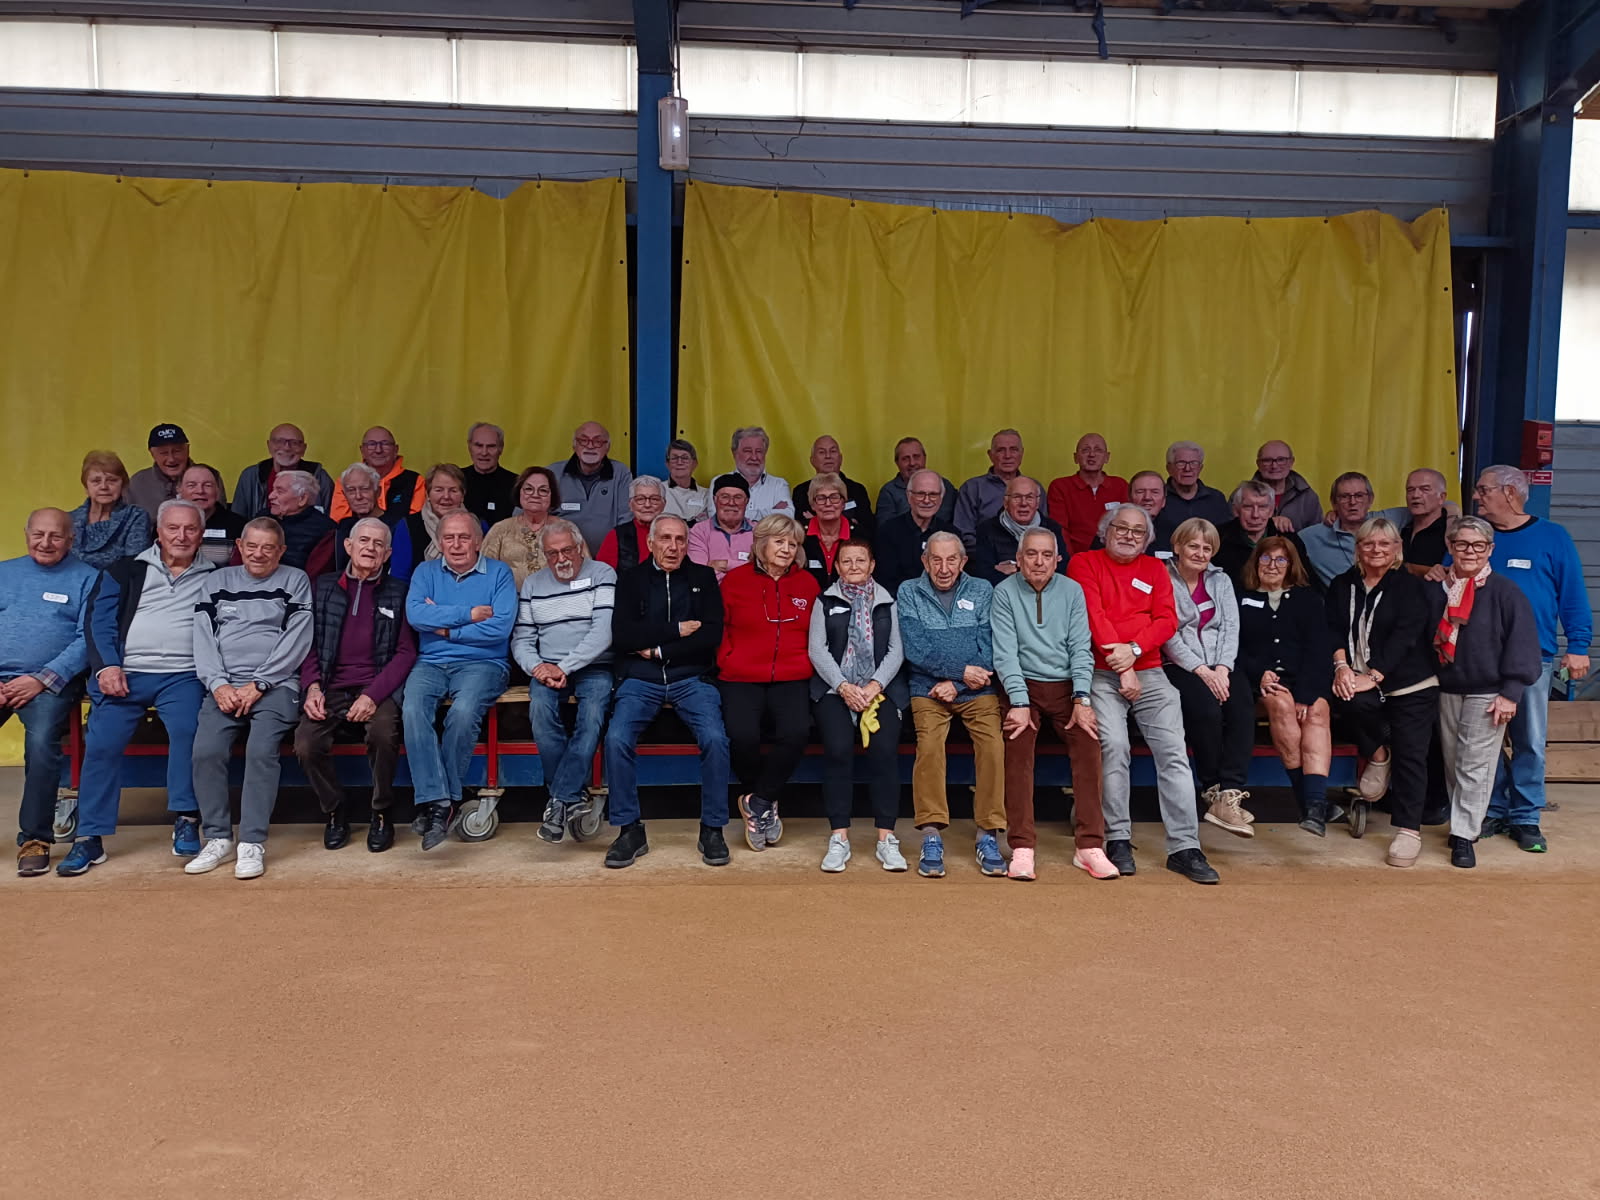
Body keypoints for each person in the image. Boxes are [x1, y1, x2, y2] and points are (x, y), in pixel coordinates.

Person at [59, 500, 215, 874]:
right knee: (101, 744)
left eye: (190, 529)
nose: (181, 536)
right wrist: (107, 666)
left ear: (201, 535)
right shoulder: (125, 570)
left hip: (183, 675)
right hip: (125, 674)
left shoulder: (216, 576)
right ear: (158, 532)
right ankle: (89, 837)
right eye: (173, 528)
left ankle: (187, 817)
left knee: (188, 731)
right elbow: (99, 622)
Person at [1068, 504, 1218, 884]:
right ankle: (1117, 838)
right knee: (1114, 746)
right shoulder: (1084, 563)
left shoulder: (1155, 569)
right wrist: (1124, 665)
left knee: (1174, 753)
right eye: (1121, 527)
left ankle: (1184, 848)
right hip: (1101, 671)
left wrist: (1133, 652)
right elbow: (1093, 615)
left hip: (1149, 671)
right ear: (1105, 530)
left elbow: (1167, 620)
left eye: (1138, 531)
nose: (1129, 536)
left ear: (1148, 539)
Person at [1466, 464, 1592, 851]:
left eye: (1483, 489)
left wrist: (1579, 646)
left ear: (1510, 492)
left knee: (1530, 741)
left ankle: (1525, 817)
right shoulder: (1475, 537)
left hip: (1533, 658)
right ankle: (1493, 808)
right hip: (1480, 658)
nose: (1476, 496)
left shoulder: (1553, 537)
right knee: (1483, 740)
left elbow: (1573, 595)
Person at [186, 517, 314, 880]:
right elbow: (203, 638)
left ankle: (252, 842)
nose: (259, 554)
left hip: (277, 685)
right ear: (239, 546)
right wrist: (218, 684)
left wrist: (259, 683)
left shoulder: (295, 580)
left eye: (268, 548)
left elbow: (297, 640)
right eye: (252, 546)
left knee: (261, 750)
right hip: (225, 686)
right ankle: (217, 838)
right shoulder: (217, 582)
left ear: (281, 551)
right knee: (205, 751)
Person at [603, 515, 731, 868]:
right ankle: (629, 829)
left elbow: (711, 635)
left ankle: (713, 828)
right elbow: (623, 636)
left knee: (716, 739)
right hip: (640, 679)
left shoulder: (703, 577)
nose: (673, 547)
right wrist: (676, 630)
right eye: (665, 539)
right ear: (650, 542)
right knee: (616, 739)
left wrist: (659, 648)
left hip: (691, 677)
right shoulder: (631, 579)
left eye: (680, 540)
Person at [992, 528, 1118, 882]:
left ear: (1057, 560)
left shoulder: (1072, 591)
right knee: (1017, 746)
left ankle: (1089, 846)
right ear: (1019, 559)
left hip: (1066, 687)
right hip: (1022, 685)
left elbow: (1081, 648)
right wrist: (1018, 701)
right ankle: (1022, 845)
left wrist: (1082, 698)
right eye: (1031, 554)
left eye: (1047, 555)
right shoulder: (1004, 592)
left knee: (1089, 744)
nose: (1039, 562)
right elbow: (1005, 653)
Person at [294, 517, 417, 855]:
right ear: (348, 546)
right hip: (329, 685)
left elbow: (406, 653)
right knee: (305, 743)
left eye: (379, 544)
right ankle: (335, 809)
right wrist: (312, 687)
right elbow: (308, 643)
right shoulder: (321, 587)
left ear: (388, 554)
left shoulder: (399, 592)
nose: (370, 548)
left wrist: (372, 695)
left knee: (383, 734)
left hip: (376, 686)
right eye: (363, 541)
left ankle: (382, 811)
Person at [1327, 517, 1444, 868]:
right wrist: (1341, 667)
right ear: (1357, 548)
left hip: (1410, 682)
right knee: (1344, 700)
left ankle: (1408, 831)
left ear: (1397, 549)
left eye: (1384, 544)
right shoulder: (1342, 584)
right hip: (1357, 675)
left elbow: (1406, 637)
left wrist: (1374, 676)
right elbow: (1332, 629)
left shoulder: (1410, 587)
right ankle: (1378, 756)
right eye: (1368, 543)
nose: (1375, 550)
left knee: (1411, 753)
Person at [402, 512, 517, 852]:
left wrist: (445, 628)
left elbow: (499, 628)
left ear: (478, 541)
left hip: (484, 663)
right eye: (449, 538)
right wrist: (469, 614)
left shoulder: (499, 573)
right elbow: (416, 615)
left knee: (464, 712)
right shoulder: (425, 572)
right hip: (431, 662)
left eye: (464, 537)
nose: (456, 544)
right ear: (438, 542)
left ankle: (439, 803)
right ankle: (442, 800)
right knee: (412, 710)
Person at [1433, 516, 1541, 868]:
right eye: (1462, 544)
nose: (1470, 551)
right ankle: (1463, 822)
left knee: (1475, 764)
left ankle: (1464, 835)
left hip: (1489, 691)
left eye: (1478, 545)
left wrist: (1510, 693)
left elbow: (1523, 644)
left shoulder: (1506, 592)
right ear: (1450, 546)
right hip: (1447, 688)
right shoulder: (1438, 589)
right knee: (1454, 762)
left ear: (1490, 549)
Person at [897, 531, 1007, 878]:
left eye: (951, 560)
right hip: (928, 689)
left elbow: (990, 647)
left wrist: (957, 682)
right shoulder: (908, 591)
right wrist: (958, 673)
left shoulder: (982, 590)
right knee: (929, 747)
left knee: (993, 746)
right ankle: (931, 833)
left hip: (975, 689)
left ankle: (988, 832)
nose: (944, 568)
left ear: (963, 561)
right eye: (936, 560)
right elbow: (916, 649)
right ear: (924, 561)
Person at [1, 509, 96, 877]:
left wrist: (40, 679)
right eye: (38, 534)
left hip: (51, 682)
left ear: (71, 539)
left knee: (41, 744)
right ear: (26, 534)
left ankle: (35, 839)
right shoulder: (4, 572)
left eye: (56, 536)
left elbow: (88, 639)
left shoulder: (88, 578)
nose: (45, 543)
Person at [717, 514, 820, 851]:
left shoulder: (808, 584)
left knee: (797, 732)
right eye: (779, 542)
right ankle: (762, 803)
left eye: (793, 543)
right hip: (741, 674)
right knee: (742, 736)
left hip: (792, 674)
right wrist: (727, 658)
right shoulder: (734, 581)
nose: (787, 549)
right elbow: (719, 626)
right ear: (760, 544)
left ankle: (758, 801)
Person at [511, 519, 616, 844]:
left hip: (594, 665)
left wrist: (564, 667)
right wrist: (537, 667)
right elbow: (522, 638)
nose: (561, 558)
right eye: (552, 553)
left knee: (592, 715)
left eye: (567, 550)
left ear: (580, 547)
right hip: (548, 667)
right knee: (540, 711)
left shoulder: (602, 574)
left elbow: (603, 633)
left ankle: (559, 799)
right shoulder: (533, 584)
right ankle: (570, 796)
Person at [808, 540, 909, 873]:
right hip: (835, 690)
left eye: (860, 560)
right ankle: (839, 837)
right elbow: (817, 650)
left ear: (872, 565)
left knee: (884, 751)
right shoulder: (825, 600)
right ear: (837, 567)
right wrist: (844, 687)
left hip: (880, 689)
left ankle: (886, 838)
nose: (853, 566)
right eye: (846, 561)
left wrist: (873, 686)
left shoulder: (887, 600)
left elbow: (896, 650)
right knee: (838, 750)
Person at [1161, 517, 1255, 837]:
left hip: (1220, 664)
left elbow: (1231, 627)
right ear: (1177, 546)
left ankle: (1231, 792)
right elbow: (1167, 632)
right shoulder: (1162, 577)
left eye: (1207, 548)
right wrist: (1201, 670)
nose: (1200, 553)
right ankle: (1212, 790)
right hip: (1180, 665)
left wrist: (1222, 669)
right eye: (1193, 546)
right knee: (1206, 710)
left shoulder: (1221, 579)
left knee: (1242, 706)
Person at [1236, 537, 1336, 835]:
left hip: (1305, 677)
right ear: (1256, 562)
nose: (1272, 566)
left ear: (1291, 565)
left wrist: (1306, 694)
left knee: (1317, 711)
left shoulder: (1308, 599)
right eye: (1266, 559)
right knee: (1281, 704)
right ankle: (1312, 803)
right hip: (1259, 682)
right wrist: (1259, 673)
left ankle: (1313, 808)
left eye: (1281, 560)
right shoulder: (1241, 598)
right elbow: (1233, 646)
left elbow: (1318, 650)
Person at [549, 421, 633, 554]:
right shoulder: (553, 473)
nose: (590, 446)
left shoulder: (621, 473)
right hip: (561, 556)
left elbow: (626, 520)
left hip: (608, 556)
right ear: (574, 445)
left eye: (597, 441)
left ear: (607, 447)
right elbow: (532, 513)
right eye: (583, 440)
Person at [970, 475, 1069, 586]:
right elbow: (984, 576)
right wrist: (1038, 571)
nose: (1023, 503)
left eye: (1029, 497)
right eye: (1017, 497)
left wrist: (1016, 568)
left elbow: (1061, 570)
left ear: (1037, 503)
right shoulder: (986, 529)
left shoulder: (1051, 528)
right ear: (1006, 502)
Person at [874, 469, 960, 598]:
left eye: (933, 494)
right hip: (900, 601)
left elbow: (956, 579)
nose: (926, 500)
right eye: (920, 494)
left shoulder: (952, 534)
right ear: (909, 496)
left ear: (941, 499)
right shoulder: (888, 532)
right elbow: (885, 582)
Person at [1214, 480, 1310, 592]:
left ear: (1271, 511)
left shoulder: (1288, 539)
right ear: (1236, 510)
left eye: (1262, 507)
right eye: (1248, 507)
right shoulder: (1219, 538)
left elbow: (1306, 582)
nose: (1255, 515)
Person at [1047, 433, 1129, 555]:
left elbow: (1127, 527)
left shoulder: (1120, 485)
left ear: (1107, 457)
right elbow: (1060, 530)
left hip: (1113, 557)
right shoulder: (1060, 487)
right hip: (1074, 557)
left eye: (1098, 450)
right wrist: (1071, 560)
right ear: (1075, 457)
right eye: (1085, 450)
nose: (1092, 455)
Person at [70, 450, 151, 569]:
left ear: (123, 485)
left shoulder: (135, 517)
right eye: (96, 481)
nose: (104, 486)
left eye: (112, 480)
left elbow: (134, 567)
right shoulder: (69, 520)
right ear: (86, 486)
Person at [232, 423, 334, 518]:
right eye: (279, 441)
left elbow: (330, 518)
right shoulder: (251, 476)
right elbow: (237, 519)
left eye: (294, 443)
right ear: (269, 446)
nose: (287, 448)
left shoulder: (319, 477)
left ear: (304, 449)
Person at [481, 466, 560, 589]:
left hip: (556, 598)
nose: (535, 495)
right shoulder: (500, 529)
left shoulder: (566, 529)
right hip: (509, 598)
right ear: (519, 493)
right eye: (528, 489)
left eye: (543, 490)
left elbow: (583, 569)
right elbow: (483, 571)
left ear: (552, 495)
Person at [329, 426, 425, 521]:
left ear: (396, 450)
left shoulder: (415, 481)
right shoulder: (346, 481)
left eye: (385, 444)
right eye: (371, 444)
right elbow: (340, 522)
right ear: (362, 451)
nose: (378, 450)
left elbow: (415, 523)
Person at [128, 423, 221, 519]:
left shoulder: (209, 476)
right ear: (152, 454)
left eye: (177, 451)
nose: (171, 459)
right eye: (164, 453)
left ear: (187, 450)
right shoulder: (138, 482)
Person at [1299, 472, 1374, 587]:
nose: (1352, 502)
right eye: (1344, 497)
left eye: (1359, 496)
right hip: (1338, 597)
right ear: (1334, 503)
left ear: (1370, 500)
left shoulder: (1387, 524)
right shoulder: (1310, 537)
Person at [793, 435, 875, 539]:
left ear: (840, 458)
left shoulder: (857, 490)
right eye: (822, 452)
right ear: (812, 460)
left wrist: (816, 521)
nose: (828, 456)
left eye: (833, 451)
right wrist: (848, 522)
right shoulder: (801, 491)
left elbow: (868, 528)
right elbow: (799, 529)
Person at [954, 428, 1024, 549]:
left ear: (1022, 453)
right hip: (981, 556)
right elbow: (963, 533)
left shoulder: (1034, 489)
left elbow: (1043, 530)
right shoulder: (972, 488)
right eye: (1001, 450)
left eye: (1013, 449)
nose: (1008, 456)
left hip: (1028, 557)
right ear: (990, 455)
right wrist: (990, 554)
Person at [268, 469, 337, 577]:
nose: (271, 496)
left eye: (280, 491)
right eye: (273, 490)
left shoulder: (324, 529)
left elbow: (316, 575)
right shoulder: (262, 518)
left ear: (302, 499)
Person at [687, 473, 755, 581]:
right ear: (715, 500)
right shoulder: (698, 531)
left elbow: (765, 570)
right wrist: (747, 568)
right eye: (725, 497)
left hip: (750, 591)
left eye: (738, 497)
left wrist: (726, 565)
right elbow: (699, 574)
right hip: (711, 592)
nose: (731, 503)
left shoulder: (760, 532)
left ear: (746, 501)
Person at [799, 472, 859, 589]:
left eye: (834, 497)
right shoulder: (799, 536)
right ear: (812, 505)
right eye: (821, 498)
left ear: (843, 503)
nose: (828, 504)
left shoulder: (860, 535)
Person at [876, 436, 955, 525]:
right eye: (905, 458)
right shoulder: (889, 492)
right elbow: (886, 529)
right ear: (897, 463)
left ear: (924, 458)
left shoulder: (945, 486)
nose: (912, 463)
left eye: (916, 457)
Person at [180, 464, 246, 567]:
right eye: (191, 485)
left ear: (218, 491)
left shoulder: (239, 526)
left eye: (207, 485)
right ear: (180, 490)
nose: (200, 491)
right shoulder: (167, 524)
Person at [596, 476, 666, 570]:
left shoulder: (676, 532)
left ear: (664, 504)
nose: (647, 505)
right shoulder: (616, 535)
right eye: (640, 499)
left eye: (654, 499)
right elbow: (603, 573)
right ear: (630, 504)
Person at [1252, 440, 1321, 532]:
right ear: (1258, 464)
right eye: (1267, 460)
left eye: (1281, 460)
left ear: (1291, 462)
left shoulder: (1307, 496)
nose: (1274, 466)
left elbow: (1316, 534)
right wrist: (1269, 524)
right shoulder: (1242, 495)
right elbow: (1234, 533)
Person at [416, 463, 479, 561]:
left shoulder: (477, 525)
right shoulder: (408, 526)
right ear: (428, 494)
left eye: (453, 491)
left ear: (463, 495)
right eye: (439, 490)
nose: (446, 496)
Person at [1162, 441, 1231, 529]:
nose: (1187, 469)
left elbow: (1226, 533)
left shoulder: (1216, 498)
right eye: (1181, 463)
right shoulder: (1158, 497)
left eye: (1193, 463)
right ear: (1169, 468)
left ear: (1200, 468)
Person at [730, 425, 792, 521]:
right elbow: (717, 517)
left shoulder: (779, 485)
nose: (754, 457)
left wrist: (736, 513)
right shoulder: (719, 483)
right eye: (748, 451)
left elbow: (788, 516)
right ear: (735, 453)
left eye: (759, 451)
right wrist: (772, 512)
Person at [1397, 468, 1452, 573]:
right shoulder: (1400, 527)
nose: (1415, 495)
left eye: (1425, 489)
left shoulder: (1452, 532)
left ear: (1442, 497)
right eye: (1410, 490)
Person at [462, 422, 518, 525]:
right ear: (469, 447)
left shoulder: (517, 484)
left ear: (501, 448)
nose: (484, 453)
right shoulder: (456, 480)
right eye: (479, 445)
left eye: (491, 446)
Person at [1126, 470, 1175, 558]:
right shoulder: (1114, 531)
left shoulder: (1175, 534)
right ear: (1129, 498)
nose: (1147, 497)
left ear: (1164, 500)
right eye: (1140, 492)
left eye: (1155, 492)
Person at [662, 438, 711, 524]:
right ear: (667, 464)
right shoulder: (658, 491)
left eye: (685, 458)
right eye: (674, 458)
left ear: (695, 463)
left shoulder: (706, 495)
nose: (679, 462)